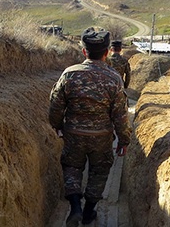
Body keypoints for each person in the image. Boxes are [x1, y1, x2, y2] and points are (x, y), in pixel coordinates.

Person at [48, 27, 132, 226]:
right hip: (102, 137)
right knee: (100, 170)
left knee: (72, 167)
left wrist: (57, 125)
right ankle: (88, 212)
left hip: (73, 134)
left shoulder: (69, 74)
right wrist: (124, 139)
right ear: (106, 53)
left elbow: (56, 105)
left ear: (84, 52)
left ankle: (75, 206)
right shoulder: (114, 79)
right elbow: (120, 114)